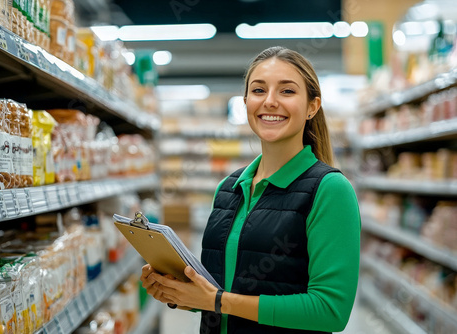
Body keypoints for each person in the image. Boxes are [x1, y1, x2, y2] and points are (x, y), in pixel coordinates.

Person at [141, 46, 361, 334]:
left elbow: (330, 311)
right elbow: (224, 291)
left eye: (287, 91)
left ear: (312, 106)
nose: (270, 101)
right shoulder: (229, 188)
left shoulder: (330, 190)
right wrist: (182, 294)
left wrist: (219, 301)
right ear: (246, 102)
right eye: (258, 90)